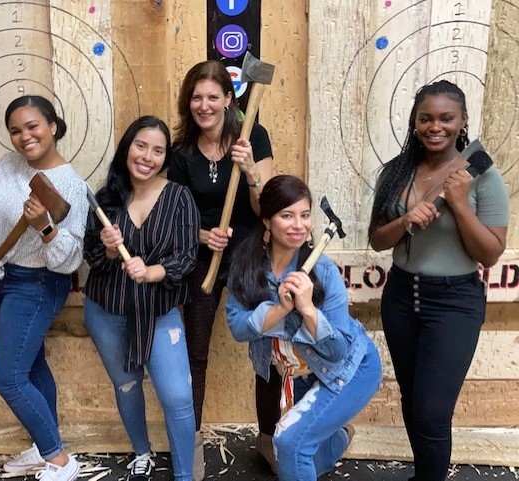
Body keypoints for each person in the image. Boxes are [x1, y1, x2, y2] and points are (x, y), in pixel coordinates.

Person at [368, 80, 509, 481]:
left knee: (432, 411)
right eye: (426, 118)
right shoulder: (397, 173)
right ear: (414, 122)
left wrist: (461, 206)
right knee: (413, 403)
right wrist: (404, 220)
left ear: (462, 121)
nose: (436, 126)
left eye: (446, 118)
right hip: (400, 296)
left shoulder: (482, 176)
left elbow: (490, 253)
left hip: (455, 303)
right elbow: (378, 240)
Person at [226, 174, 382, 480]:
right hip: (297, 374)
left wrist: (308, 309)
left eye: (305, 215)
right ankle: (334, 438)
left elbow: (337, 351)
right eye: (287, 216)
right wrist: (279, 309)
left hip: (348, 371)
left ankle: (327, 435)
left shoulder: (323, 271)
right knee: (286, 451)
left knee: (289, 442)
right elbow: (237, 328)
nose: (299, 225)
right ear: (267, 221)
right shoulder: (245, 266)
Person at [166, 59, 276, 479]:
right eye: (197, 97)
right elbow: (174, 214)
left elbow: (264, 208)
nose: (204, 105)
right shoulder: (179, 152)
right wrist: (200, 236)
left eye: (213, 96)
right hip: (201, 259)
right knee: (194, 352)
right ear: (188, 102)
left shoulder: (253, 137)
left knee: (266, 348)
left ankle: (269, 438)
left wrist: (249, 169)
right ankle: (190, 443)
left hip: (249, 254)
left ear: (229, 99)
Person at [83, 116, 200, 481]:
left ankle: (183, 474)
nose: (147, 156)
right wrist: (108, 249)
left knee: (178, 398)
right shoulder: (105, 199)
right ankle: (142, 452)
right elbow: (93, 259)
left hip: (158, 312)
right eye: (141, 145)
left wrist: (151, 272)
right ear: (127, 148)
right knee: (127, 385)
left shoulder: (179, 197)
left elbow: (186, 257)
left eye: (158, 150)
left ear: (165, 158)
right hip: (107, 311)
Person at [0, 95, 88, 481]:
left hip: (39, 283)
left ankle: (60, 461)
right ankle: (44, 445)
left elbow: (71, 258)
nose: (25, 137)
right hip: (4, 279)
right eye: (15, 130)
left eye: (33, 126)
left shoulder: (71, 185)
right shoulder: (7, 165)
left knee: (7, 376)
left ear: (53, 126)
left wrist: (45, 226)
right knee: (31, 365)